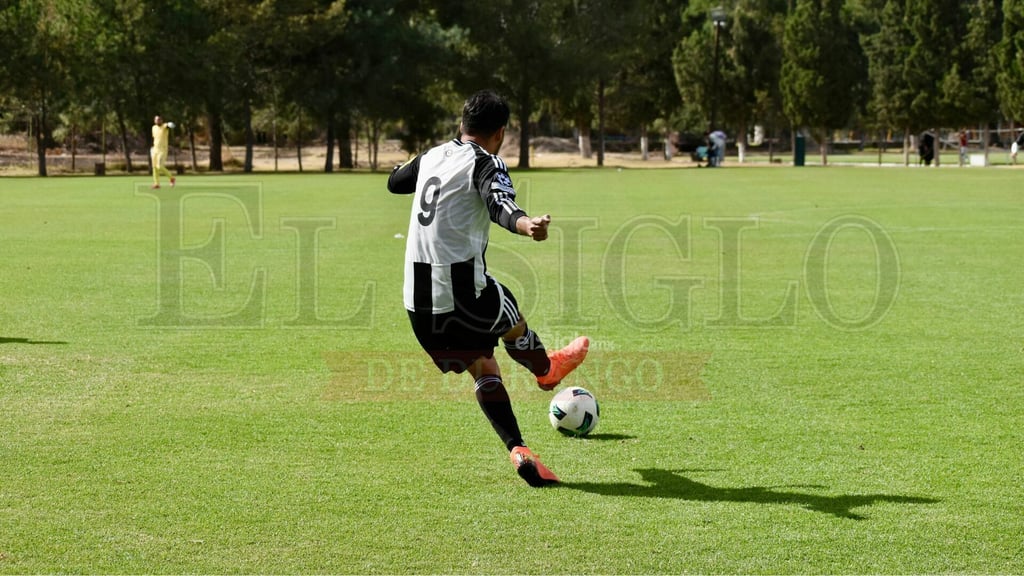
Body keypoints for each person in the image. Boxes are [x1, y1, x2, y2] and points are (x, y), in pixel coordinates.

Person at [387, 90, 590, 487]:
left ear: (462, 124)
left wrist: (413, 163)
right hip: (461, 290)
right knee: (509, 312)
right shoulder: (487, 161)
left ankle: (520, 450)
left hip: (417, 302)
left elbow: (396, 182)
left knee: (483, 366)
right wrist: (526, 223)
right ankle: (546, 370)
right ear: (500, 133)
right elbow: (498, 202)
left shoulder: (432, 155)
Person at [151, 115, 176, 189]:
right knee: (154, 167)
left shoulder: (164, 126)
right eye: (156, 120)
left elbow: (169, 125)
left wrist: (170, 124)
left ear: (162, 120)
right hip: (155, 150)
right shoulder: (154, 128)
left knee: (160, 166)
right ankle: (156, 184)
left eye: (159, 119)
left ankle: (172, 178)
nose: (157, 121)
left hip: (162, 150)